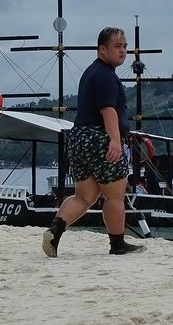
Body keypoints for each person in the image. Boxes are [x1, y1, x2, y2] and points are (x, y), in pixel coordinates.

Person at [42, 26, 145, 257]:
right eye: (117, 47)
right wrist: (116, 141)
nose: (123, 51)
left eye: (125, 46)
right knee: (115, 195)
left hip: (78, 137)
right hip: (100, 138)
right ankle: (117, 244)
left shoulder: (91, 72)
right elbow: (108, 111)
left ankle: (55, 230)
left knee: (84, 196)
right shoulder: (106, 76)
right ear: (102, 50)